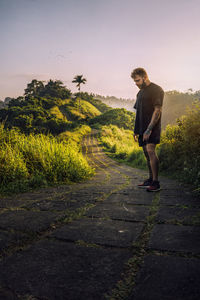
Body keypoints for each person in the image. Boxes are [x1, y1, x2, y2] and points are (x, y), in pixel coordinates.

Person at [131, 67, 164, 192]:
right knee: (146, 153)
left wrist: (149, 129)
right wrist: (136, 130)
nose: (136, 84)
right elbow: (138, 112)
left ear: (145, 77)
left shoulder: (156, 89)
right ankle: (150, 179)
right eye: (135, 82)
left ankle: (156, 183)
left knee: (150, 151)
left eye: (138, 81)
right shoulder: (140, 93)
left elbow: (158, 110)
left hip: (152, 127)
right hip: (141, 128)